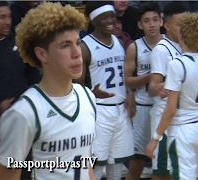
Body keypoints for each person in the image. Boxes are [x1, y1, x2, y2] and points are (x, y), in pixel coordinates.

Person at [0, 2, 96, 179]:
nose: (77, 53)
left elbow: (86, 165)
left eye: (78, 43)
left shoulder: (88, 97)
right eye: (65, 46)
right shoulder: (23, 112)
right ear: (42, 54)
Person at [147, 12, 198, 179]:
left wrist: (155, 138)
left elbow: (171, 110)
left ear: (181, 35)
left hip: (182, 131)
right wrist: (191, 93)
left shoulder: (177, 64)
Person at [78, 1, 136, 179]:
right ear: (94, 21)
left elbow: (124, 76)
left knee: (117, 164)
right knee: (96, 164)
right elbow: (76, 87)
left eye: (112, 16)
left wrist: (130, 94)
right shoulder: (84, 46)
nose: (111, 21)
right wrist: (91, 93)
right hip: (99, 110)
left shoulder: (119, 42)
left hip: (121, 109)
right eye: (105, 18)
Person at [0, 1, 41, 179]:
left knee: (23, 170)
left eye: (9, 16)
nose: (8, 21)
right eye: (2, 17)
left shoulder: (18, 42)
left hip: (21, 120)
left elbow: (33, 74)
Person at [123, 2, 164, 179]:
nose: (152, 24)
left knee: (163, 164)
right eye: (147, 21)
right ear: (140, 25)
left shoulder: (171, 45)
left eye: (155, 20)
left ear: (162, 21)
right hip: (143, 107)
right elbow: (127, 80)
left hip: (164, 107)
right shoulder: (135, 47)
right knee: (137, 163)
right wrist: (150, 77)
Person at [147, 2, 186, 180]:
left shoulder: (189, 45)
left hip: (184, 116)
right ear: (167, 25)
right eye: (179, 24)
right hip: (165, 115)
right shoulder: (161, 51)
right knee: (162, 172)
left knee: (180, 170)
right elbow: (152, 88)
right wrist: (159, 87)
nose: (183, 28)